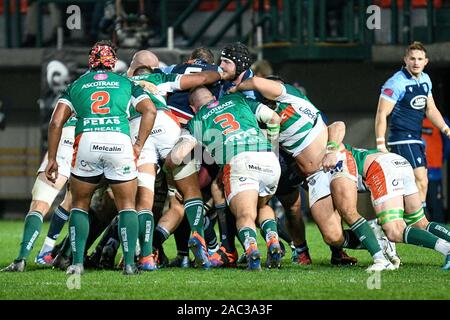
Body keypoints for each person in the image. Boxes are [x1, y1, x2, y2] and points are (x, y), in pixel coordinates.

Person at [232, 76, 396, 271]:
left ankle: (380, 258)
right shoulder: (265, 120)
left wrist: (332, 150)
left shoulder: (297, 103)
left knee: (347, 210)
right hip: (313, 177)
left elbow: (337, 126)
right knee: (332, 236)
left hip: (334, 163)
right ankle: (376, 238)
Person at [48, 40, 156, 275]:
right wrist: (138, 145)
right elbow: (150, 110)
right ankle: (129, 264)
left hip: (87, 142)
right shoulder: (126, 83)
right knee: (127, 205)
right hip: (119, 142)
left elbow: (56, 122)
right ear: (113, 62)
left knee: (79, 205)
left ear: (90, 61)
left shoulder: (77, 85)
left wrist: (52, 160)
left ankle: (76, 263)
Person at [165, 86, 283, 270]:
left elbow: (177, 156)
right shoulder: (238, 99)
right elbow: (274, 118)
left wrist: (167, 170)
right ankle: (272, 239)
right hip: (269, 159)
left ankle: (251, 249)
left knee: (245, 215)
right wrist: (273, 148)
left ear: (193, 108)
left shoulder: (197, 120)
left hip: (240, 163)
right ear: (213, 97)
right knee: (262, 206)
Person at [344, 144, 450, 270]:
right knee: (420, 223)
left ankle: (447, 248)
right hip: (398, 162)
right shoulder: (330, 147)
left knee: (394, 230)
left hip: (381, 168)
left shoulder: (326, 160)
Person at [374, 41, 450, 217]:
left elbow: (430, 110)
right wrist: (380, 143)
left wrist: (446, 129)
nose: (416, 62)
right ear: (405, 60)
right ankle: (417, 219)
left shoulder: (425, 80)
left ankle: (411, 217)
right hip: (402, 138)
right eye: (412, 58)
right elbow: (381, 113)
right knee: (421, 179)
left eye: (420, 59)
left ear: (426, 61)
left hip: (415, 137)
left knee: (418, 182)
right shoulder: (395, 83)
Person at [1, 117, 76, 272]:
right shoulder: (127, 93)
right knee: (79, 205)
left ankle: (21, 259)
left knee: (39, 205)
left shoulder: (73, 91)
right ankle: (60, 255)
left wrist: (51, 158)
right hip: (93, 142)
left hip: (66, 138)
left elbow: (55, 122)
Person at [421, 117, 450, 223]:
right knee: (419, 206)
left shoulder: (439, 120)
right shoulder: (412, 118)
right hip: (416, 170)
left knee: (435, 204)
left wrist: (440, 158)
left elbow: (448, 142)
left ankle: (440, 235)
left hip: (433, 171)